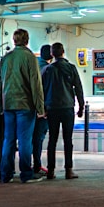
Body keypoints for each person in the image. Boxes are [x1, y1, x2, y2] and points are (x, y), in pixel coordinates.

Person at [0, 29, 46, 183]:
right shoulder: (30, 57)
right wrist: (40, 107)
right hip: (25, 104)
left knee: (8, 140)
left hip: (8, 104)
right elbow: (36, 83)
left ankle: (6, 175)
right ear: (27, 40)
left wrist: (1, 104)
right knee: (25, 140)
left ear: (13, 40)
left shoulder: (5, 58)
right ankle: (26, 174)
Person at [42, 42, 85, 180]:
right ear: (63, 52)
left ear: (52, 53)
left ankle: (50, 171)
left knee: (52, 140)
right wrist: (81, 106)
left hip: (52, 108)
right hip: (67, 108)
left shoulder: (47, 70)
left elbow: (42, 90)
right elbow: (78, 87)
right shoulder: (71, 68)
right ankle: (68, 170)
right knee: (68, 140)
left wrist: (43, 108)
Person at [32, 44, 52, 175]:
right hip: (42, 109)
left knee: (28, 138)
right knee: (38, 138)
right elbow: (46, 90)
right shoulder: (48, 69)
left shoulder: (33, 66)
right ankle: (37, 166)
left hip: (27, 107)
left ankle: (28, 165)